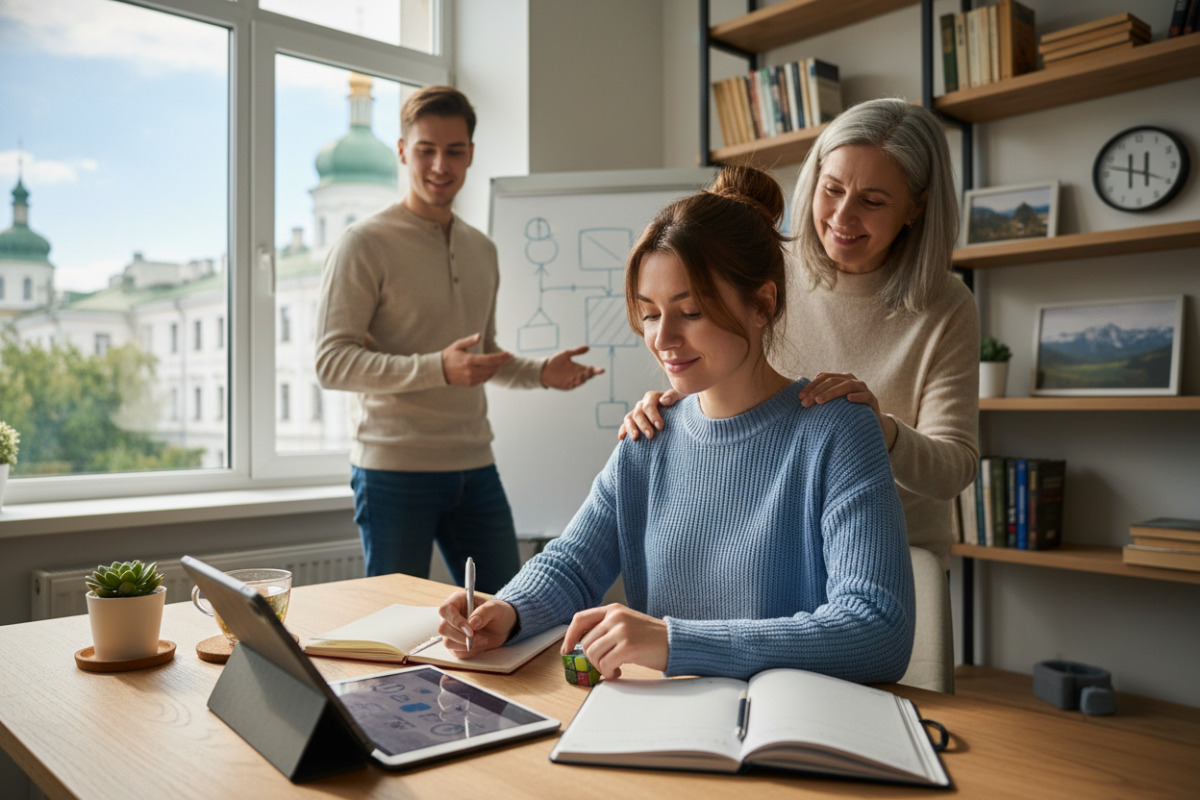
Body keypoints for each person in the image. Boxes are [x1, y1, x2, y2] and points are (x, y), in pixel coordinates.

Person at [436, 165, 914, 684]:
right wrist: (508, 611)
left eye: (690, 312)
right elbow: (573, 564)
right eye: (650, 314)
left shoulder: (839, 432)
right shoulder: (650, 435)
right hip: (666, 717)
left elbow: (877, 631)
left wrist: (675, 642)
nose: (663, 339)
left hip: (786, 721)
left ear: (762, 304)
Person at [620, 98, 979, 571]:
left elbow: (954, 468)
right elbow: (718, 381)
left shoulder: (947, 305)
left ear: (917, 206)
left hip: (895, 557)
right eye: (832, 190)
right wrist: (673, 409)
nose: (842, 217)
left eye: (872, 201)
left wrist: (879, 429)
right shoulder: (765, 276)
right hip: (771, 552)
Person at [315, 86, 602, 593]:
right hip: (393, 470)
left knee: (508, 612)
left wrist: (541, 372)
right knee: (390, 620)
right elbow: (331, 362)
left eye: (453, 151)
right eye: (425, 150)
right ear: (402, 151)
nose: (439, 165)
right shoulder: (363, 243)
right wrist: (437, 368)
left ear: (470, 153)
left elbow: (478, 357)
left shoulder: (481, 249)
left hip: (474, 466)